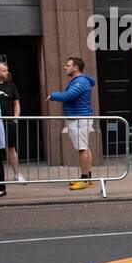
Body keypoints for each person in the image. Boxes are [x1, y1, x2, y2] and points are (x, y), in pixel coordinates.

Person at [48, 57, 95, 191]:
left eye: (68, 65)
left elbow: (68, 96)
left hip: (80, 118)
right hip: (78, 118)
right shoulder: (79, 81)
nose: (65, 67)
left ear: (76, 68)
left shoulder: (80, 81)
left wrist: (53, 95)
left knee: (82, 148)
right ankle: (88, 177)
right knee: (85, 147)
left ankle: (85, 178)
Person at [0, 61, 23, 183]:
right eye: (4, 70)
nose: (6, 72)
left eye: (6, 70)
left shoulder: (10, 86)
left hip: (8, 122)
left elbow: (16, 103)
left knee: (11, 148)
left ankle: (17, 174)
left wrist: (15, 118)